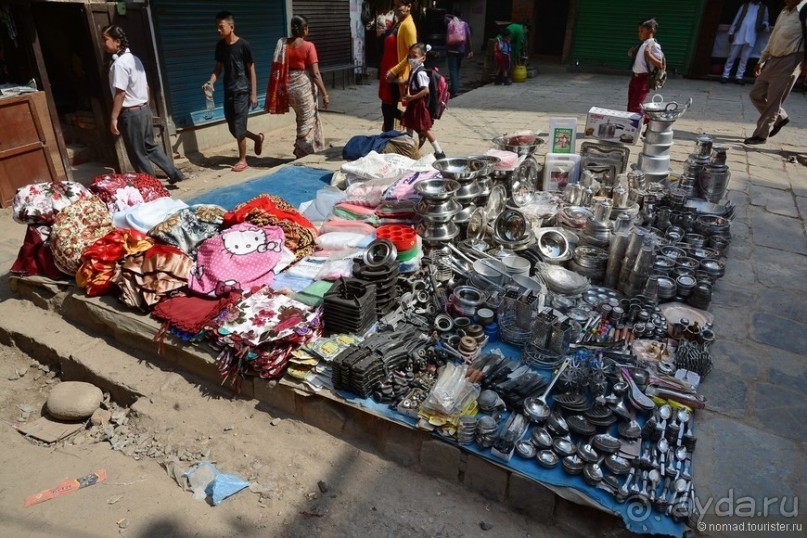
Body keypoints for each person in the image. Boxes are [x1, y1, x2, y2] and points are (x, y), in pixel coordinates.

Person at [101, 25, 185, 185]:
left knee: (137, 153)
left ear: (117, 41)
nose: (103, 44)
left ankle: (151, 186)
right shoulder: (135, 59)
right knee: (149, 146)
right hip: (143, 109)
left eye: (105, 40)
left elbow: (120, 93)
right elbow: (146, 86)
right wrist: (145, 106)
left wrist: (113, 118)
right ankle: (174, 174)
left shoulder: (119, 64)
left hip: (131, 113)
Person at [205, 11, 263, 172]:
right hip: (228, 90)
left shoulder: (244, 45)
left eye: (221, 26)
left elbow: (252, 69)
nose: (218, 30)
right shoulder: (220, 47)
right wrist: (210, 82)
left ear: (231, 26)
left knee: (239, 125)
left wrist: (253, 93)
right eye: (216, 27)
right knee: (233, 128)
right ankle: (257, 138)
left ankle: (243, 159)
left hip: (242, 91)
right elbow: (218, 69)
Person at [265, 15, 329, 158]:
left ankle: (301, 148)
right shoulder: (308, 46)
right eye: (307, 27)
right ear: (304, 29)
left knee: (301, 118)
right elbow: (315, 73)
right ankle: (303, 152)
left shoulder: (284, 44)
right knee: (306, 121)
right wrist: (325, 93)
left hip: (288, 87)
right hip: (302, 89)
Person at [744, 0, 807, 145]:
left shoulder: (804, 10)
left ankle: (760, 135)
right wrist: (762, 59)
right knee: (756, 94)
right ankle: (781, 117)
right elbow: (773, 37)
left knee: (774, 101)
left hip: (791, 59)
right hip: (773, 57)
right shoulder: (785, 11)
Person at [401, 43, 445, 159]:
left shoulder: (421, 72)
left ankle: (439, 152)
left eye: (414, 56)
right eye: (410, 56)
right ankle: (409, 148)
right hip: (413, 103)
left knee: (425, 129)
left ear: (423, 58)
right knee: (408, 124)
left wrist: (411, 98)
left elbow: (425, 90)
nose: (411, 59)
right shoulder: (414, 70)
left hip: (419, 105)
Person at [380, 0, 417, 132]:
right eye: (395, 5)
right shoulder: (399, 22)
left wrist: (394, 70)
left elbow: (413, 54)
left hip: (396, 75)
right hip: (388, 75)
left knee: (388, 109)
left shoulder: (408, 26)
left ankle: (415, 126)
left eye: (399, 5)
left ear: (408, 6)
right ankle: (389, 137)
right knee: (387, 108)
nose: (396, 8)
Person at [722, 0, 770, 84]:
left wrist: (764, 25)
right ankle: (725, 75)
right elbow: (737, 18)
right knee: (731, 56)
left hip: (752, 35)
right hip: (739, 34)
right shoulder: (744, 6)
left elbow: (766, 20)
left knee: (745, 58)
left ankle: (739, 76)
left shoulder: (764, 8)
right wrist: (731, 32)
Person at [627, 19, 664, 116]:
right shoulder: (642, 44)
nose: (639, 34)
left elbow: (661, 64)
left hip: (643, 79)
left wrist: (648, 55)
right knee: (631, 105)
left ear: (651, 30)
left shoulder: (653, 45)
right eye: (639, 31)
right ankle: (632, 127)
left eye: (642, 31)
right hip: (635, 77)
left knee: (635, 106)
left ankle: (650, 121)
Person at [445, 9, 473, 98]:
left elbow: (444, 15)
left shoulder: (449, 21)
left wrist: (451, 15)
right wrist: (471, 50)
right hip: (461, 50)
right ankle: (455, 87)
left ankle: (455, 90)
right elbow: (469, 37)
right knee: (456, 69)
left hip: (451, 50)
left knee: (453, 70)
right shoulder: (465, 24)